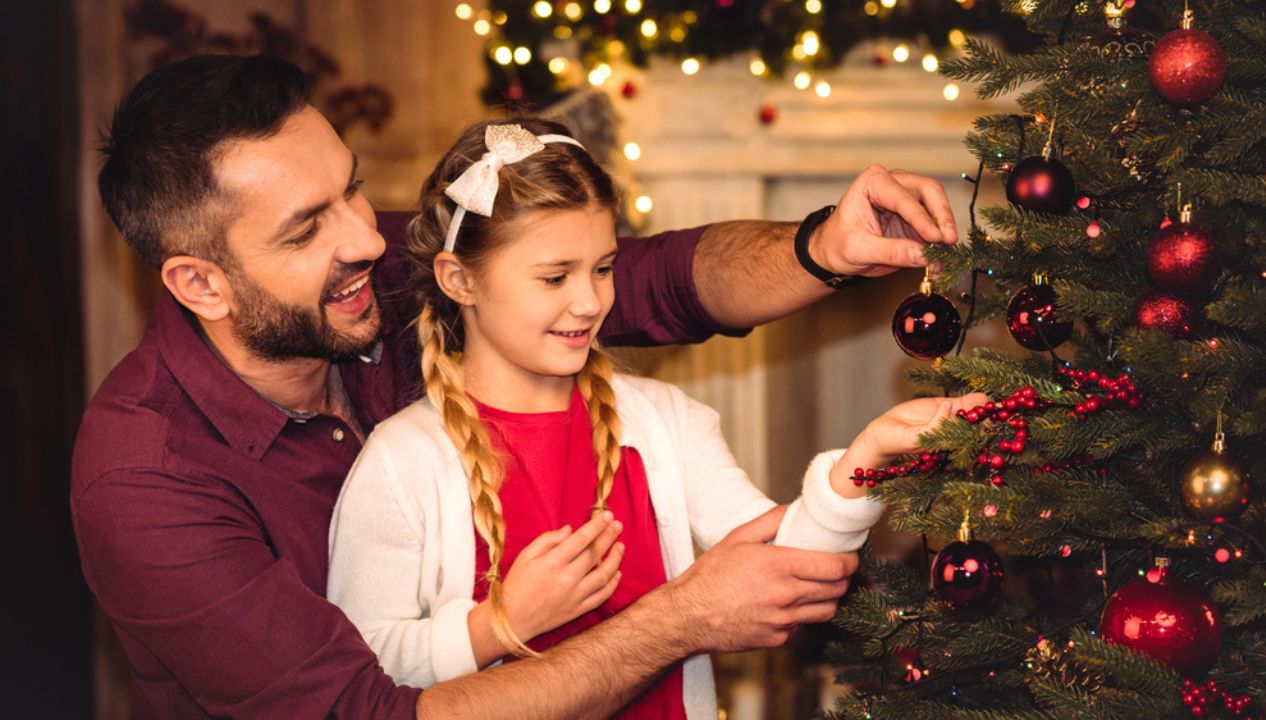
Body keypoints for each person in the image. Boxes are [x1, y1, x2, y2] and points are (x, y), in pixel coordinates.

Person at [71, 54, 961, 719]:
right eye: (309, 228)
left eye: (353, 191)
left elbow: (654, 280)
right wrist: (669, 621)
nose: (370, 241)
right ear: (201, 284)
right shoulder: (144, 477)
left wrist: (821, 249)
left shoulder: (374, 282)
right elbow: (369, 711)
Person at [326, 119, 984, 719]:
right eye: (554, 278)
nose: (589, 302)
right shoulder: (400, 461)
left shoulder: (668, 425)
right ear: (459, 280)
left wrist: (864, 460)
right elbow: (361, 676)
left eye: (604, 268)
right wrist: (501, 623)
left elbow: (790, 571)